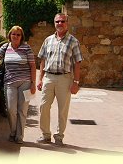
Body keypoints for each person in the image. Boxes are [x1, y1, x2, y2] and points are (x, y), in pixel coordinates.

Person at [36, 13, 83, 146]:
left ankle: (59, 137)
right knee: (44, 106)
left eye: (62, 21)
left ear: (67, 23)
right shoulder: (48, 40)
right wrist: (40, 79)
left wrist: (76, 82)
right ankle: (45, 135)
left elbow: (77, 63)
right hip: (49, 77)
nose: (60, 24)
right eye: (57, 21)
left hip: (65, 78)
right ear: (54, 23)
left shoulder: (73, 41)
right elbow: (43, 60)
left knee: (62, 110)